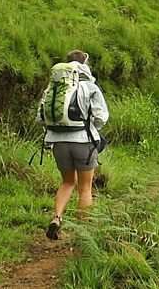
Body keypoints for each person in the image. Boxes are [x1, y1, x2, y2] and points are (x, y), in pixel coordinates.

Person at [38, 50, 109, 241]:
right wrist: (92, 127)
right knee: (85, 188)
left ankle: (56, 218)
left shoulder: (53, 88)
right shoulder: (89, 86)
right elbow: (102, 116)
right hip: (83, 143)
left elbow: (40, 117)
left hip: (58, 143)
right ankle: (82, 235)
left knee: (68, 182)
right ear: (85, 64)